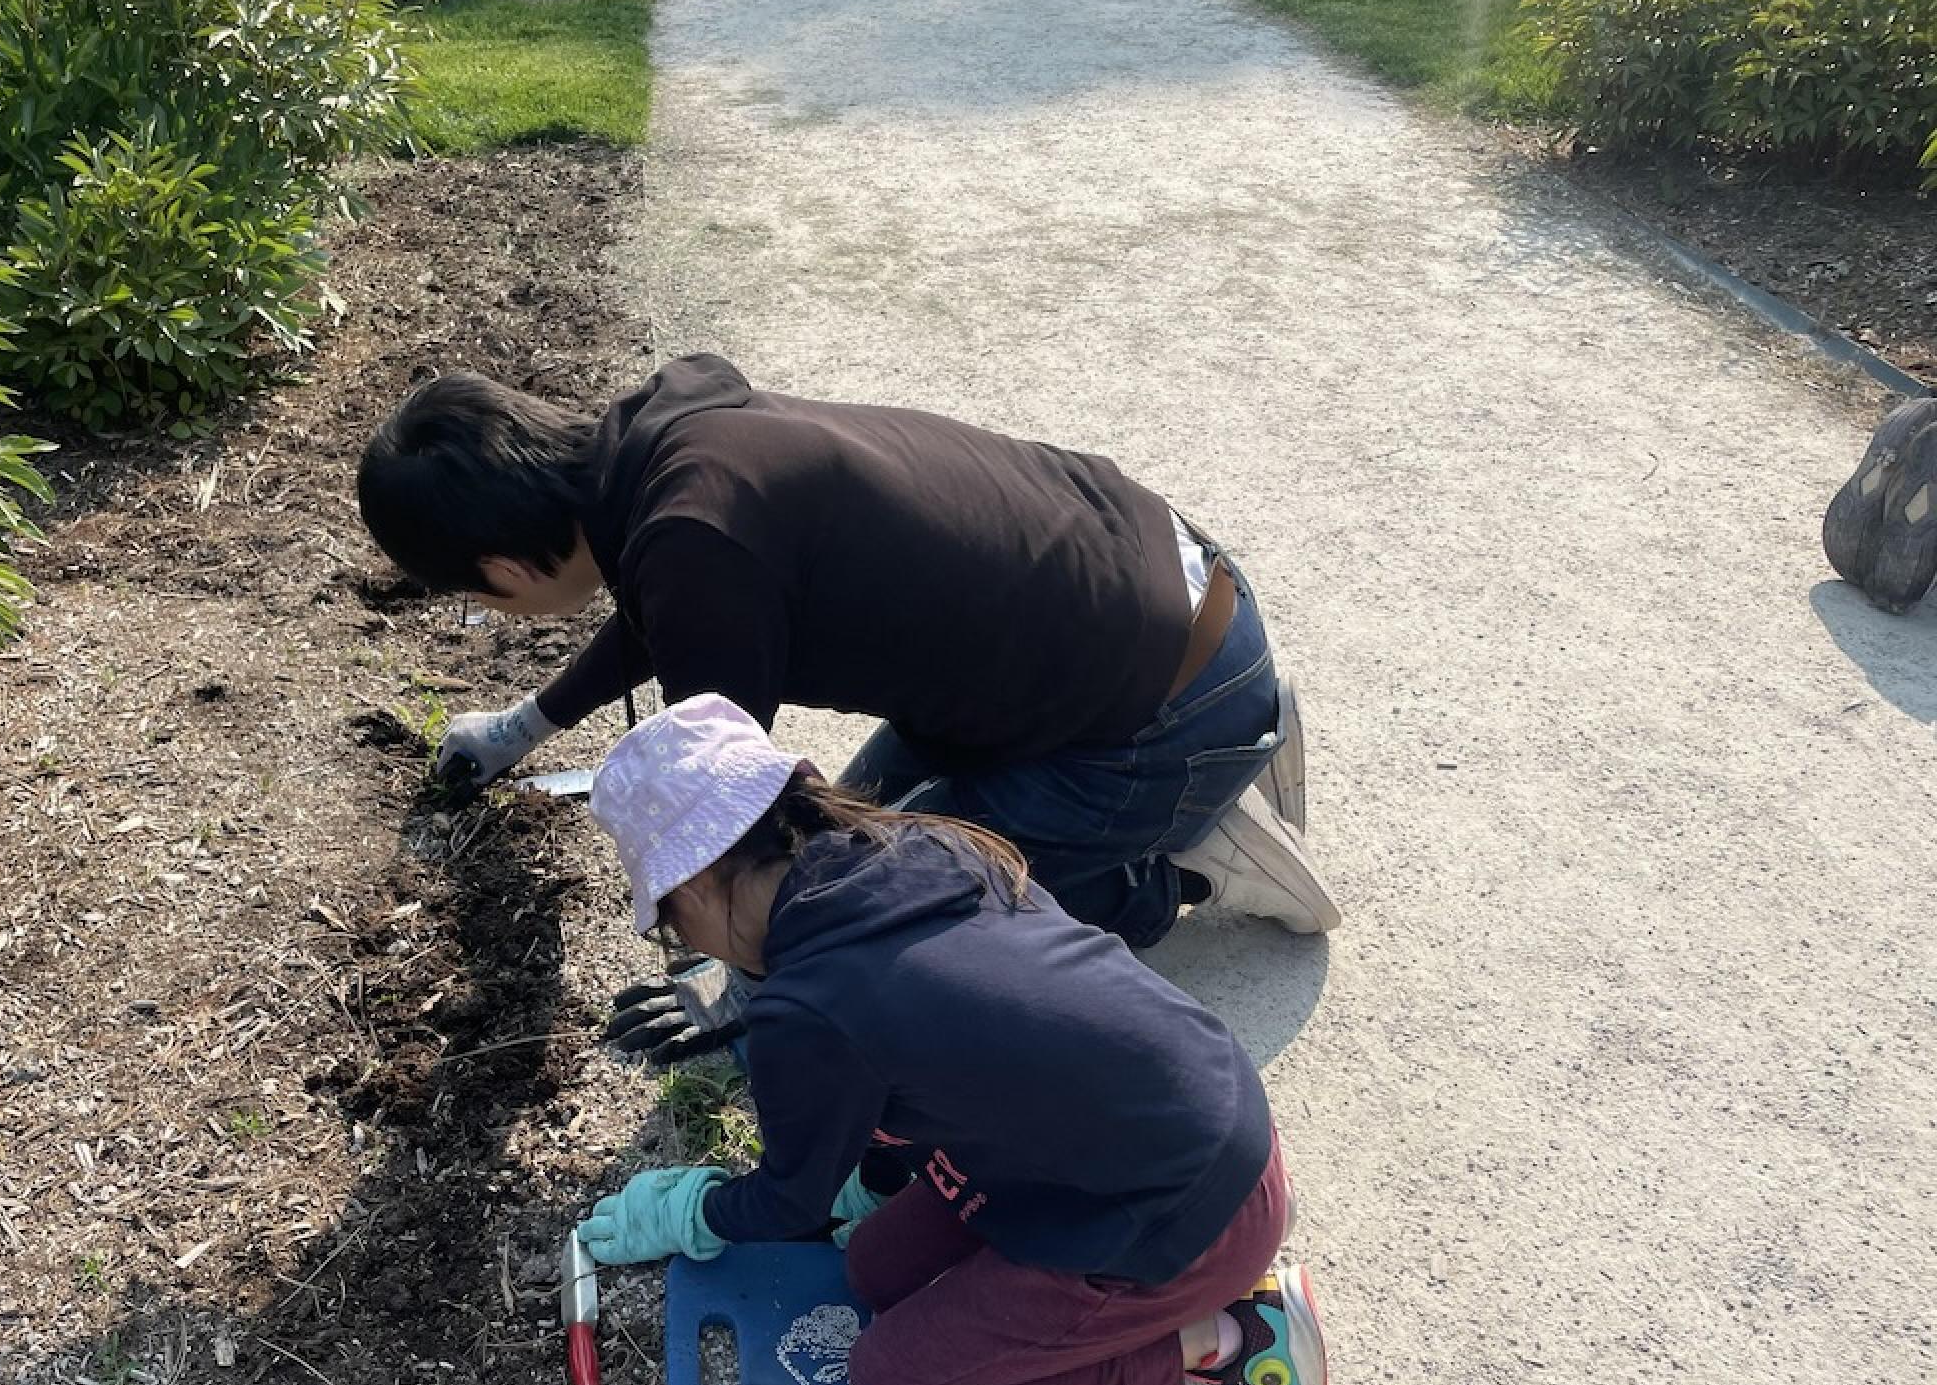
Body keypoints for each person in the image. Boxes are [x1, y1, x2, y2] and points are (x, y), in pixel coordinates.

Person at [354, 357, 1338, 1059]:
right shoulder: (664, 441)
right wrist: (525, 728)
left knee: (893, 925)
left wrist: (741, 982)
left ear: (504, 568)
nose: (491, 606)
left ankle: (1181, 868)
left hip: (1153, 719)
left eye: (478, 595)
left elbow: (734, 828)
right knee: (873, 826)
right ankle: (1220, 732)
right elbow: (668, 608)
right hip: (1168, 592)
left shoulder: (694, 552)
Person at [572, 694, 1328, 1385]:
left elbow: (787, 1203)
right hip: (1202, 1113)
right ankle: (1174, 1288)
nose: (682, 940)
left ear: (693, 886)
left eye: (667, 922)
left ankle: (1231, 1340)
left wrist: (693, 1210)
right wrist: (875, 1174)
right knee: (871, 1269)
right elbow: (972, 1044)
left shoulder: (804, 1011)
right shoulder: (918, 845)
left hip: (1178, 1216)